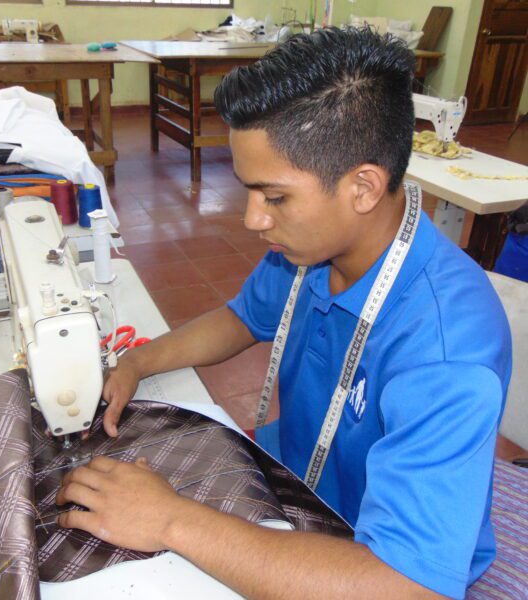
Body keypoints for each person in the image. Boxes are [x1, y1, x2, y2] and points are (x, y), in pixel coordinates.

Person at [56, 27, 512, 599]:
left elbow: (410, 586)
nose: (252, 219)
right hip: (291, 486)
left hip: (371, 557)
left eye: (274, 197)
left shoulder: (446, 349)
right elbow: (241, 319)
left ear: (364, 187)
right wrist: (138, 362)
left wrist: (171, 519)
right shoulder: (309, 254)